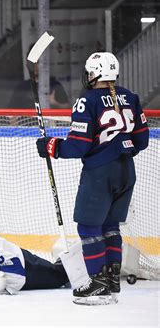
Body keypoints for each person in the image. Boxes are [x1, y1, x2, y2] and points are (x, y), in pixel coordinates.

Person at [36, 52, 150, 306]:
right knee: (110, 226)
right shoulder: (131, 98)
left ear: (95, 73)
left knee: (88, 227)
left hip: (100, 173)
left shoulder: (87, 100)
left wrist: (51, 146)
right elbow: (142, 140)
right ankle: (111, 280)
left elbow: (78, 146)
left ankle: (96, 284)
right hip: (126, 171)